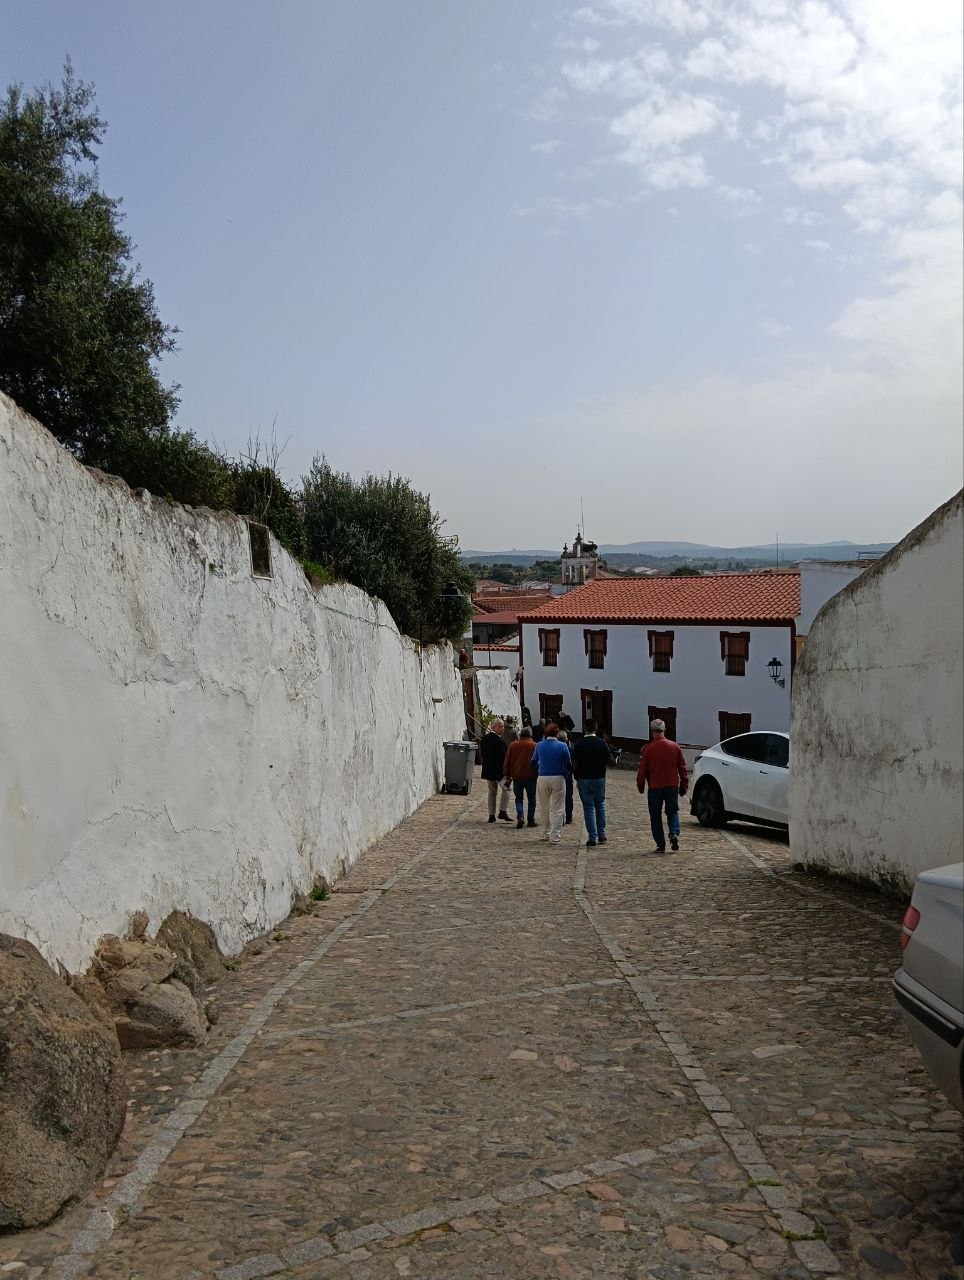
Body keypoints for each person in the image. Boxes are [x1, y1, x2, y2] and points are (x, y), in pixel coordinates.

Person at [636, 718, 688, 853]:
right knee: (672, 812)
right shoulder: (674, 746)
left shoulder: (647, 749)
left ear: (652, 731)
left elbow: (642, 770)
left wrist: (640, 785)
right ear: (664, 730)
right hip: (671, 785)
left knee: (655, 816)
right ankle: (674, 832)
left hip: (655, 787)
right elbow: (682, 768)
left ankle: (661, 844)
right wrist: (684, 785)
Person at [571, 719, 613, 847]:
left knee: (588, 808)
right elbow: (611, 761)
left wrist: (576, 777)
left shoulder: (578, 744)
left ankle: (592, 837)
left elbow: (575, 765)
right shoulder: (601, 743)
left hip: (584, 779)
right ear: (595, 728)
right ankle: (602, 834)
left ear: (585, 728)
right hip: (599, 778)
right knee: (600, 805)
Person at [531, 724, 570, 844]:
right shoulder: (563, 746)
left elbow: (533, 762)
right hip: (558, 776)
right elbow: (568, 763)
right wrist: (565, 774)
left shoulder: (539, 745)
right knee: (558, 808)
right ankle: (555, 835)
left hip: (543, 777)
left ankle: (545, 832)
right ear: (557, 734)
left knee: (544, 806)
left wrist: (540, 769)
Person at [504, 726, 538, 828]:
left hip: (517, 775)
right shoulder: (535, 745)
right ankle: (531, 820)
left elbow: (507, 762)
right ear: (530, 735)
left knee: (518, 798)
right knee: (532, 799)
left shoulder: (513, 745)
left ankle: (520, 816)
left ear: (520, 735)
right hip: (531, 776)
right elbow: (537, 761)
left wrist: (507, 775)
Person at [480, 719, 511, 823]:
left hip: (489, 771)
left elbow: (483, 755)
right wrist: (506, 771)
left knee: (492, 792)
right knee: (506, 790)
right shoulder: (499, 741)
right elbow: (503, 758)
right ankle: (502, 811)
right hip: (499, 772)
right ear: (493, 727)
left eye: (503, 726)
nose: (502, 729)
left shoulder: (484, 739)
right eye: (500, 726)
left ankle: (491, 815)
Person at [557, 730, 575, 824]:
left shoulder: (555, 749)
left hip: (557, 776)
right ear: (566, 739)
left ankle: (559, 816)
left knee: (558, 797)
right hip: (567, 776)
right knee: (568, 797)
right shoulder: (570, 750)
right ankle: (568, 816)